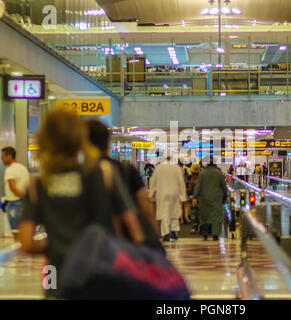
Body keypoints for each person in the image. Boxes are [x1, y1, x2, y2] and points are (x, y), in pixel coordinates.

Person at [18, 110, 144, 298]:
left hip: (55, 272)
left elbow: (26, 243)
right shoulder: (103, 173)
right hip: (100, 273)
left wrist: (54, 246)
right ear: (79, 138)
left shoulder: (37, 186)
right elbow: (136, 233)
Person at [86, 119, 161, 249]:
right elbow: (146, 207)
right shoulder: (126, 170)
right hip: (126, 243)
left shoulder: (80, 173)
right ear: (108, 143)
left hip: (89, 245)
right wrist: (154, 240)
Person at [149, 155, 187, 241]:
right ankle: (174, 231)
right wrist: (183, 196)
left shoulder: (158, 168)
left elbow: (153, 181)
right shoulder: (176, 168)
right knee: (174, 212)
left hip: (162, 193)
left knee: (164, 213)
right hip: (174, 193)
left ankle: (166, 233)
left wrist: (151, 193)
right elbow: (181, 182)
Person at [193, 157, 228, 241]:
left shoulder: (202, 173)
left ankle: (205, 233)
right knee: (216, 216)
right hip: (216, 199)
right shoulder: (219, 173)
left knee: (205, 216)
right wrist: (225, 197)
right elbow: (224, 187)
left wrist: (195, 197)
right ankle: (215, 234)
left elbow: (198, 186)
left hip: (204, 198)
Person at [1, 146, 30, 237]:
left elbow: (13, 188)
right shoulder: (23, 168)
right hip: (25, 204)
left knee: (16, 234)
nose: (2, 159)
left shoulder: (10, 170)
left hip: (14, 204)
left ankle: (19, 251)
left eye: (3, 157)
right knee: (24, 233)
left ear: (9, 156)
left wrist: (20, 196)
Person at [187, 163, 201, 233]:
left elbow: (189, 189)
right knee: (199, 213)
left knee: (193, 213)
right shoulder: (201, 177)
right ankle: (199, 226)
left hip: (192, 197)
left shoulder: (190, 178)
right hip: (200, 197)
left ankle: (194, 227)